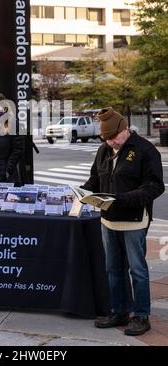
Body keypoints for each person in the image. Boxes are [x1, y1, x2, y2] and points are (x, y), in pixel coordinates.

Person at [82, 107, 164, 336]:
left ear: (125, 129)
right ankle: (118, 311)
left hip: (134, 220)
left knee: (137, 270)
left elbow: (155, 186)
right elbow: (95, 179)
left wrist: (123, 199)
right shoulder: (104, 150)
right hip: (109, 220)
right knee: (113, 269)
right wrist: (83, 193)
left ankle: (141, 315)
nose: (110, 143)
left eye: (113, 137)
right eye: (106, 139)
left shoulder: (145, 150)